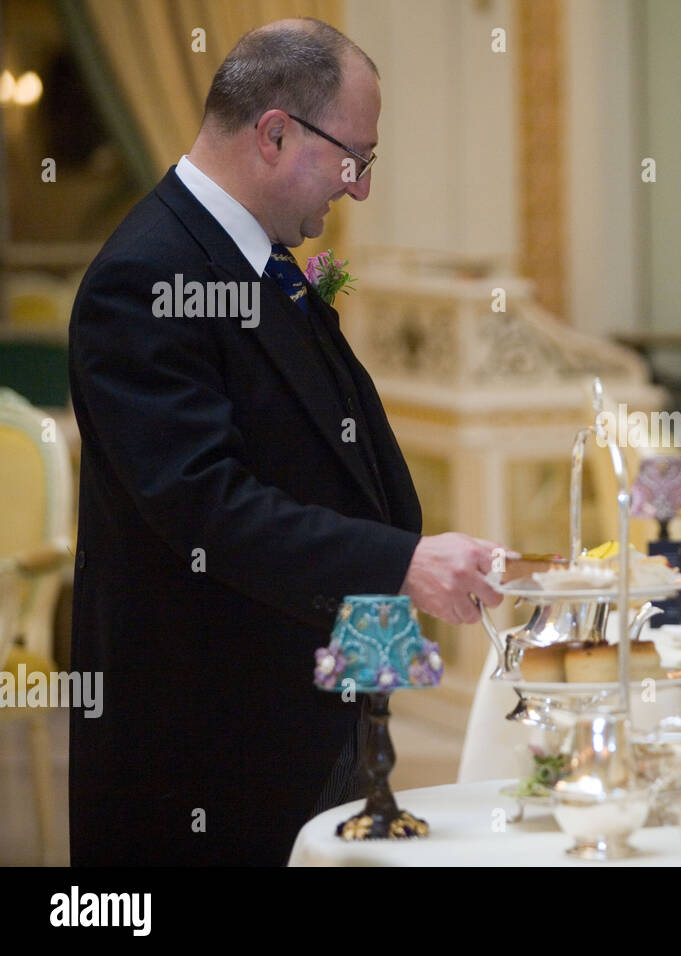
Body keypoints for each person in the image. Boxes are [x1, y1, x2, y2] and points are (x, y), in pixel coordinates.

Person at [67, 19, 505, 865]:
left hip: (297, 701)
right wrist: (401, 561)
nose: (360, 189)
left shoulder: (256, 257)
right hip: (204, 735)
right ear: (274, 133)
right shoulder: (148, 275)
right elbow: (206, 506)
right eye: (355, 159)